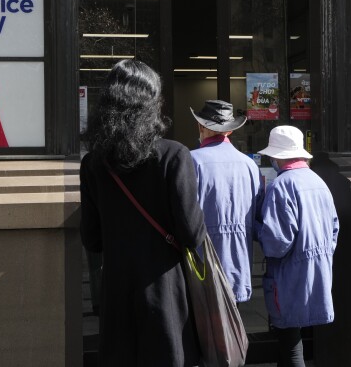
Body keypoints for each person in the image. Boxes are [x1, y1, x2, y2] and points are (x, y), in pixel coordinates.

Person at [80, 59, 206, 366]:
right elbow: (192, 234)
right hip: (165, 291)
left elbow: (92, 240)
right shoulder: (174, 155)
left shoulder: (94, 164)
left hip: (116, 294)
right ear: (151, 103)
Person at [256, 125, 338, 367]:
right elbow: (334, 229)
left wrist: (257, 229)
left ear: (277, 156)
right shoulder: (318, 181)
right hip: (317, 273)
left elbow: (277, 243)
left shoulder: (281, 186)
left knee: (290, 343)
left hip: (289, 277)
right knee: (293, 340)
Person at [190, 100, 263, 303]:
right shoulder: (249, 166)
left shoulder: (191, 161)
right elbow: (259, 216)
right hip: (239, 265)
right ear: (229, 131)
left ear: (201, 126)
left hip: (202, 266)